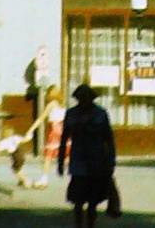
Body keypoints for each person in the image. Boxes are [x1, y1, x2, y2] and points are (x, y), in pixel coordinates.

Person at [57, 83, 116, 228]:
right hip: (80, 162)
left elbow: (109, 138)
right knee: (78, 200)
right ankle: (80, 225)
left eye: (86, 98)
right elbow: (64, 139)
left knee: (92, 200)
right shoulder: (73, 114)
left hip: (96, 162)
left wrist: (111, 159)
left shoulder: (100, 114)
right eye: (81, 98)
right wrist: (60, 161)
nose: (84, 101)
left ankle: (90, 225)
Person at [37, 85, 65, 188]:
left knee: (48, 156)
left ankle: (44, 179)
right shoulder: (62, 104)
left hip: (55, 130)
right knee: (67, 155)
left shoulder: (51, 104)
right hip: (63, 129)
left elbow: (41, 118)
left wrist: (31, 130)